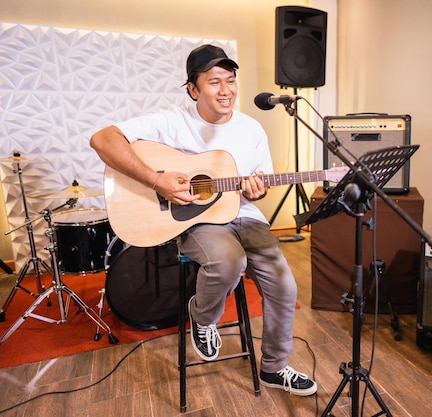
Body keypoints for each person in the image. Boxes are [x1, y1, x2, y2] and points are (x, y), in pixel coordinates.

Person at [89, 44, 317, 396]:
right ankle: (203, 315)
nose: (226, 90)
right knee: (229, 261)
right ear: (193, 89)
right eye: (214, 82)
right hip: (196, 221)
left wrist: (257, 191)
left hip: (245, 216)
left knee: (285, 285)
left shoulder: (252, 129)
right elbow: (101, 139)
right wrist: (156, 180)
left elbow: (261, 185)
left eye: (230, 80)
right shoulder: (170, 121)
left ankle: (274, 367)